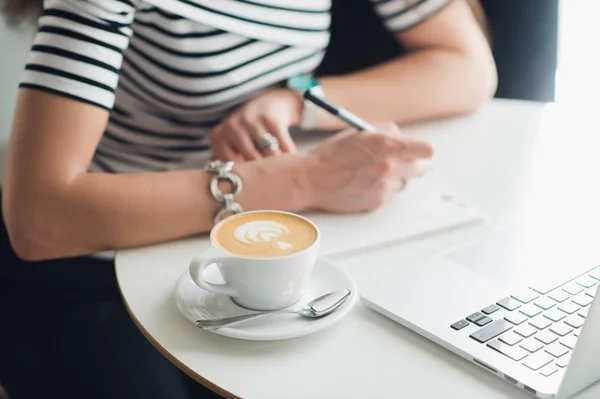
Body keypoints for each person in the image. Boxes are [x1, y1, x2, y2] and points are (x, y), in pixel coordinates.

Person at [0, 0, 496, 398]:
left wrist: (295, 97)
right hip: (92, 269)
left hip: (245, 262)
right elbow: (41, 217)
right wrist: (301, 181)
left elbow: (468, 68)